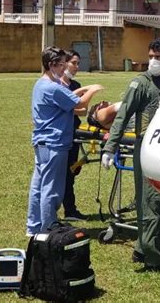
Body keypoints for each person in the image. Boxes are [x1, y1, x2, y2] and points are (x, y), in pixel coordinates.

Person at [101, 38, 160, 272]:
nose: (153, 61)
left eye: (158, 57)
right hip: (147, 149)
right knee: (151, 203)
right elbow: (122, 117)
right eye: (151, 56)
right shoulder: (141, 84)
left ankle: (142, 247)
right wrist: (110, 147)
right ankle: (155, 261)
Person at [26, 46, 103, 236]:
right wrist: (92, 90)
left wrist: (83, 89)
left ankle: (34, 226)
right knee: (51, 189)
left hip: (44, 142)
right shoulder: (52, 87)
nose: (64, 68)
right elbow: (80, 104)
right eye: (61, 65)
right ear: (51, 65)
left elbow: (69, 96)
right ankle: (48, 227)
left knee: (38, 186)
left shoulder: (42, 83)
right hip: (54, 143)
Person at [60, 49, 97, 221]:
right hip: (60, 135)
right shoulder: (57, 86)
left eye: (78, 63)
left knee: (72, 173)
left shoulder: (75, 85)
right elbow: (73, 107)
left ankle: (70, 210)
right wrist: (73, 108)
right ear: (63, 63)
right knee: (60, 174)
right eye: (73, 63)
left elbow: (82, 110)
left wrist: (72, 109)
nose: (76, 67)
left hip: (74, 134)